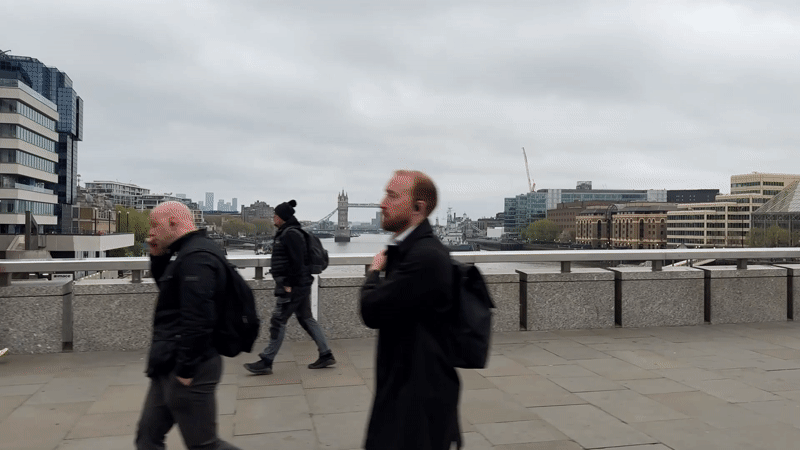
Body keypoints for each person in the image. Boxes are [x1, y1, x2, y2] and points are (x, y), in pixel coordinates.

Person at [359, 170, 461, 450]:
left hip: (415, 407)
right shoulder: (409, 251)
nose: (382, 203)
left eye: (392, 196)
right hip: (405, 392)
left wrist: (373, 273)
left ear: (419, 208)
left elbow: (371, 310)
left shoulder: (425, 257)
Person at [135, 201, 239, 450]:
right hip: (167, 361)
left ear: (173, 222)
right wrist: (157, 256)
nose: (150, 231)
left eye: (154, 225)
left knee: (204, 445)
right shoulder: (185, 252)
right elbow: (172, 295)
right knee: (147, 439)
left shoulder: (197, 258)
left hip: (190, 364)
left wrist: (186, 369)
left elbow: (198, 319)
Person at [244, 199, 335, 375]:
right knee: (306, 318)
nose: (273, 218)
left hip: (293, 286)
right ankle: (326, 354)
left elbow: (297, 262)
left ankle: (266, 361)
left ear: (282, 218)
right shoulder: (288, 232)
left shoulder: (290, 234)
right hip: (300, 285)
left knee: (278, 320)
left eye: (275, 215)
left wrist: (287, 284)